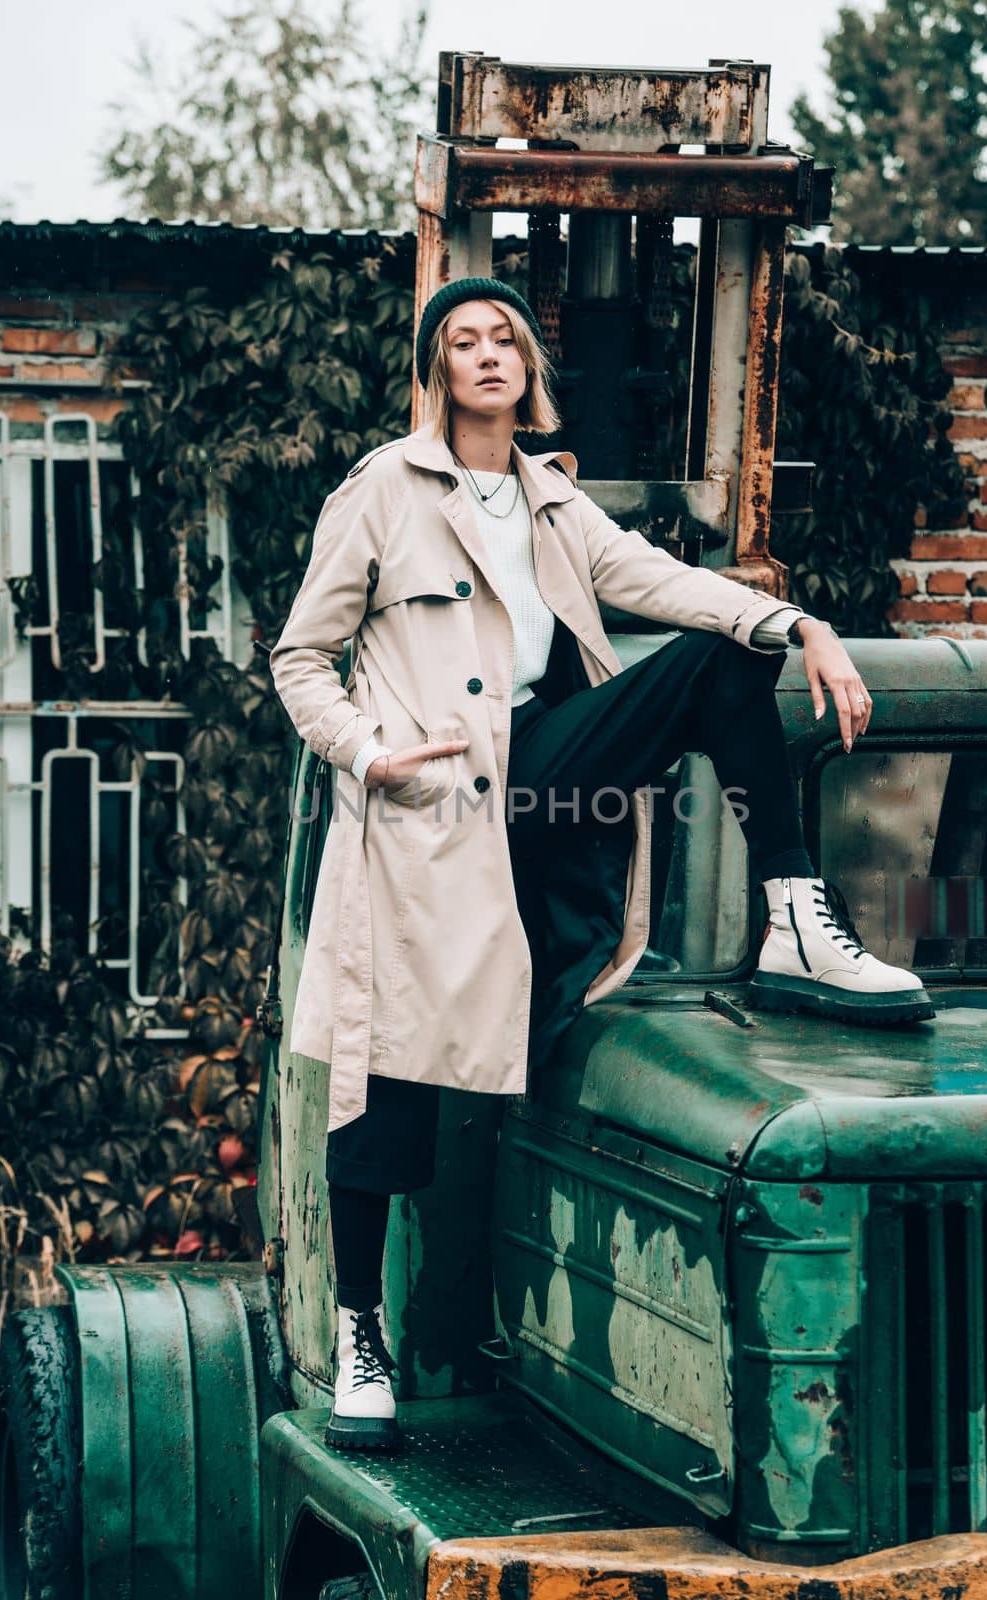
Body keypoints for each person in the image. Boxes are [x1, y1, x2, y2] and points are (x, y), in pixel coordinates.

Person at [269, 276, 933, 1452]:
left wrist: (801, 626)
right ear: (436, 370)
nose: (488, 354)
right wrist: (370, 754)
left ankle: (792, 913)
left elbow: (664, 585)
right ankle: (362, 1333)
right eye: (463, 340)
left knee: (723, 656)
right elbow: (300, 659)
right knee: (386, 1088)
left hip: (533, 780)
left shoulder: (554, 504)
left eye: (505, 339)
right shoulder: (382, 489)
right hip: (423, 816)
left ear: (528, 367)